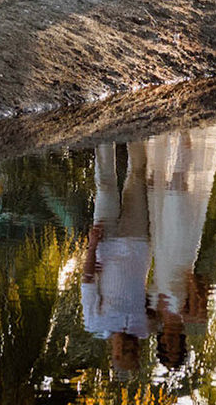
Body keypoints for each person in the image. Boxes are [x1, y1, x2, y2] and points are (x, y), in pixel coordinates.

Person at [143, 123, 216, 370]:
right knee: (178, 187)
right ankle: (186, 135)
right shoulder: (193, 315)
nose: (170, 342)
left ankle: (171, 134)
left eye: (166, 347)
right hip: (182, 252)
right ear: (181, 342)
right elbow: (201, 280)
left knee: (164, 187)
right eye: (174, 347)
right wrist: (193, 297)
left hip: (163, 249)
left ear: (161, 343)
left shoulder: (153, 314)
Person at [81, 141, 151, 374]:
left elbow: (87, 282)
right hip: (138, 241)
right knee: (137, 179)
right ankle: (135, 131)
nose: (131, 347)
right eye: (135, 352)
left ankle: (103, 135)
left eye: (125, 353)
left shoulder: (95, 324)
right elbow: (168, 309)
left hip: (105, 242)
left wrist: (91, 246)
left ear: (115, 354)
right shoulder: (144, 327)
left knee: (106, 186)